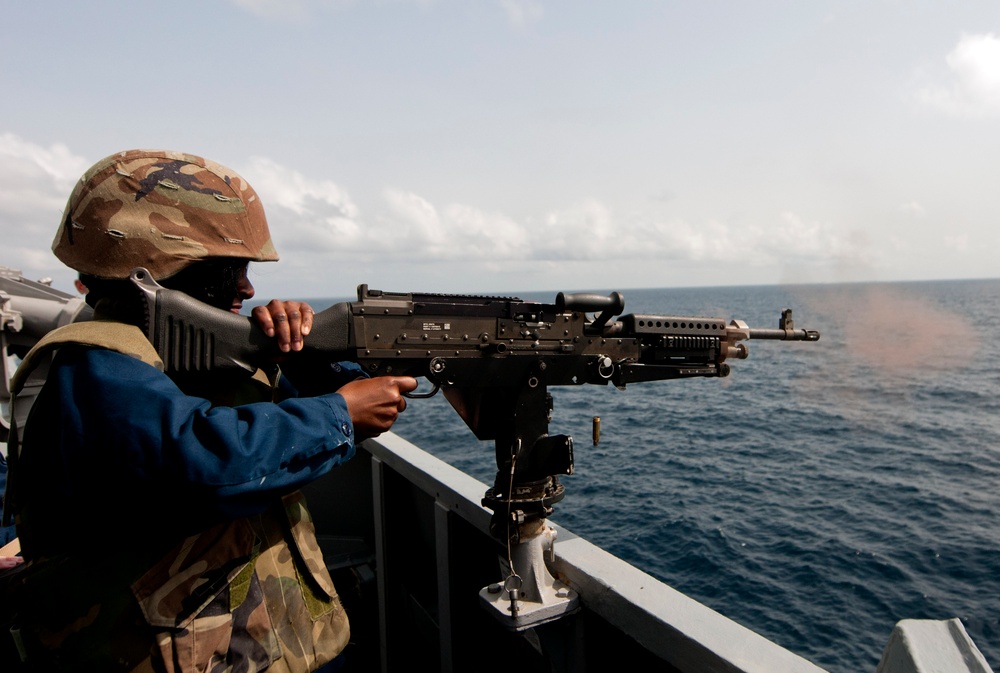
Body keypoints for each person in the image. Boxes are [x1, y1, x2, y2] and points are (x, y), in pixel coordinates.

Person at [0, 149, 417, 671]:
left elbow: (277, 419)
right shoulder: (95, 365)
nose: (248, 288)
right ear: (162, 269)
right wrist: (339, 415)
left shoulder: (165, 354)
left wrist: (300, 352)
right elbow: (208, 461)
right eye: (231, 271)